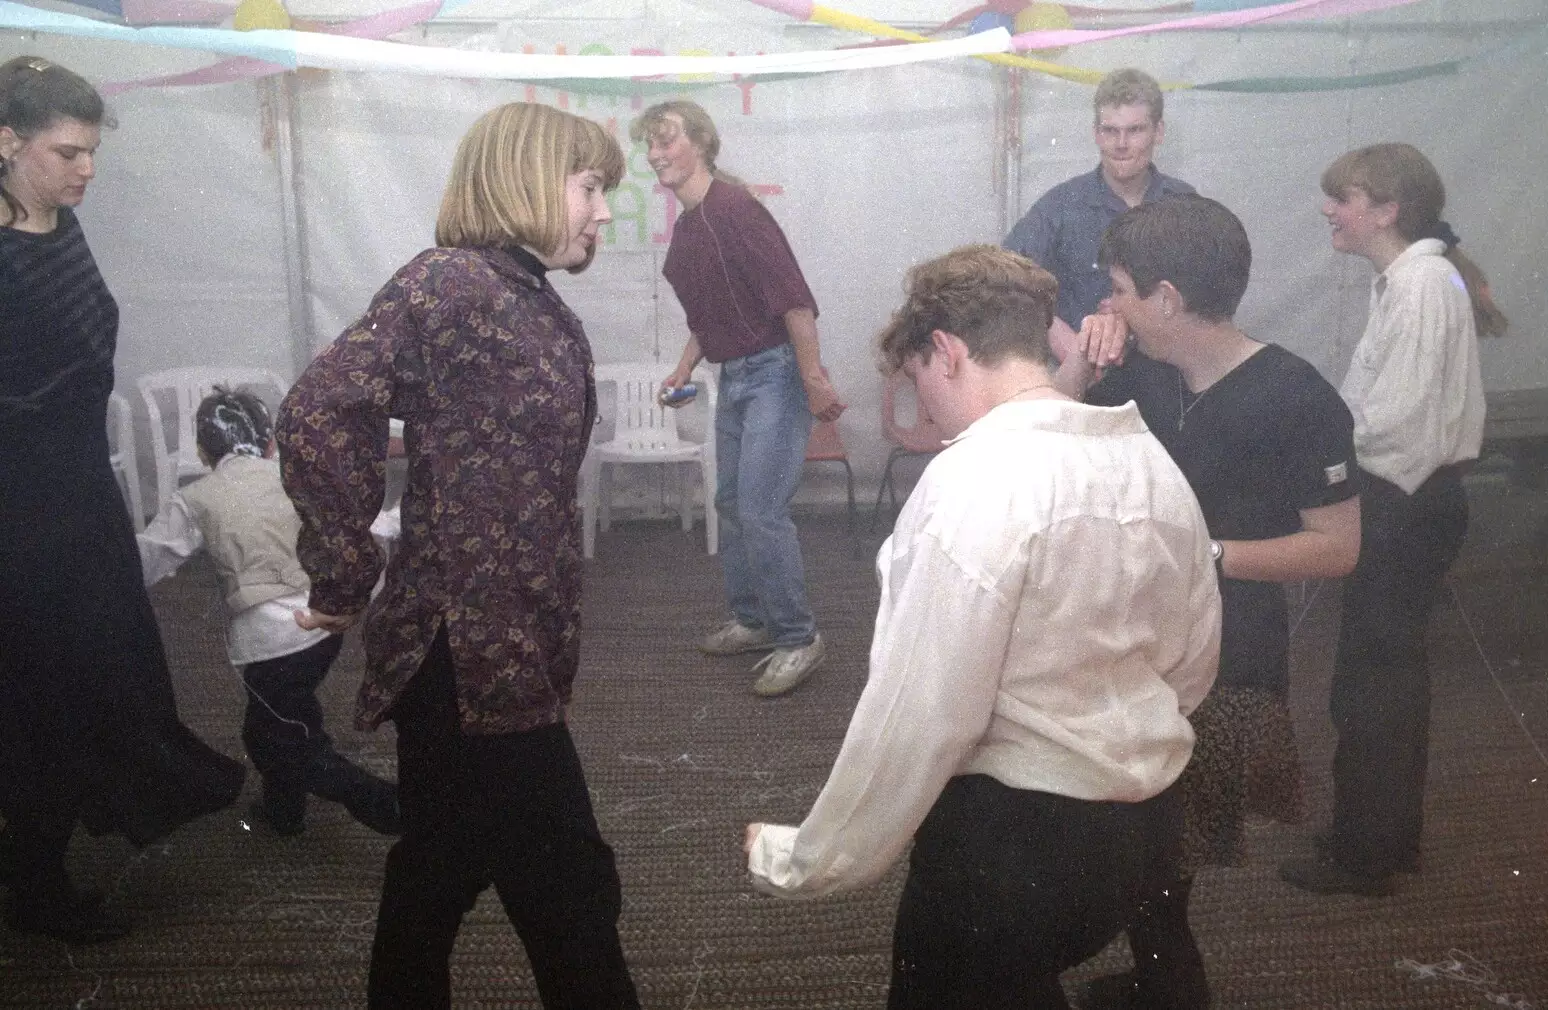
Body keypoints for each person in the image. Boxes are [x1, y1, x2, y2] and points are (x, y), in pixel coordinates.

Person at [743, 244, 1221, 1009]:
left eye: (922, 384)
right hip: (1146, 835)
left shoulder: (972, 481)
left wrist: (803, 858)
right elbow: (1191, 665)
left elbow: (923, 714)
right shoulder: (1149, 461)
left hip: (1012, 850)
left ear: (948, 350)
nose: (926, 411)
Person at [275, 102, 640, 1009]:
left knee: (440, 868)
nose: (603, 212)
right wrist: (344, 567)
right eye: (590, 186)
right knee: (567, 890)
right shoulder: (454, 285)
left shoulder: (522, 292)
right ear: (522, 177)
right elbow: (319, 410)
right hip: (473, 651)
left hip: (500, 640)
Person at [1074, 195, 1361, 1007]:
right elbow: (1051, 424)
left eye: (1120, 288)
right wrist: (1085, 356)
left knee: (1169, 844)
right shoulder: (1141, 370)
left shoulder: (1298, 396)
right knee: (1148, 839)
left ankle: (1174, 989)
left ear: (1166, 299)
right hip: (1137, 643)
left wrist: (1205, 556)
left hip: (1229, 657)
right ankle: (1164, 978)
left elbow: (1338, 549)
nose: (1108, 303)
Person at [0, 56, 246, 945]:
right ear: (5, 142)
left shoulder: (54, 221)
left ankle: (51, 848)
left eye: (93, 151)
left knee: (101, 676)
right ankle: (33, 886)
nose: (86, 170)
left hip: (76, 490)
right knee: (45, 696)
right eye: (67, 151)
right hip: (21, 511)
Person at [1279, 143, 1504, 898]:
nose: (1329, 210)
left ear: (1387, 211)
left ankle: (1366, 855)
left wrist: (1317, 454)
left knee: (1375, 684)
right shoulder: (1415, 279)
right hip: (1413, 505)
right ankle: (1378, 836)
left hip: (1402, 508)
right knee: (1383, 678)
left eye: (1344, 197)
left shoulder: (1419, 287)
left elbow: (1393, 426)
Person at [630, 100, 844, 698]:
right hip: (734, 376)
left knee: (761, 508)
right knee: (731, 502)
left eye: (665, 139)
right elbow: (713, 314)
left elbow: (794, 301)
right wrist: (682, 366)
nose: (655, 153)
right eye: (649, 144)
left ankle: (799, 639)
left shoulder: (736, 208)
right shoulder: (693, 224)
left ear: (700, 140)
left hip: (775, 373)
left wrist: (813, 378)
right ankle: (753, 620)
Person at [135, 386, 401, 838]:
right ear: (270, 443)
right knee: (281, 720)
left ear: (202, 451)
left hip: (266, 643)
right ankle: (284, 810)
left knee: (277, 738)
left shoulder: (196, 499)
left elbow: (146, 559)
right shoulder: (294, 477)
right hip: (323, 628)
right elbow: (367, 521)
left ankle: (383, 803)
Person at [1004, 66, 1194, 381]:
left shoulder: (1185, 205)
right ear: (1095, 133)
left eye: (1135, 130)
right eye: (1110, 130)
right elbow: (1002, 277)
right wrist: (1059, 336)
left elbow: (1209, 300)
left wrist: (1134, 315)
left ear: (1158, 132)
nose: (1121, 143)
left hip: (1169, 380)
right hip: (1083, 384)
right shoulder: (1062, 205)